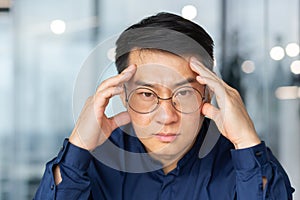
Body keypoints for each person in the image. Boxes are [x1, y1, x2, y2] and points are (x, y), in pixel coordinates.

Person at [34, 12, 294, 199]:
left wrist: (247, 140)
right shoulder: (92, 164)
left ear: (208, 95)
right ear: (124, 96)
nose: (167, 116)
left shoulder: (245, 166)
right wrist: (78, 146)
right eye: (147, 94)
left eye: (184, 92)